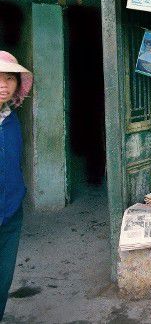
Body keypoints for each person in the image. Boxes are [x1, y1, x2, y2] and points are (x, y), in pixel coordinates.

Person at [0, 51, 32, 320]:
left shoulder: (11, 119)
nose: (3, 85)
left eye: (9, 78)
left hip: (10, 213)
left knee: (2, 280)